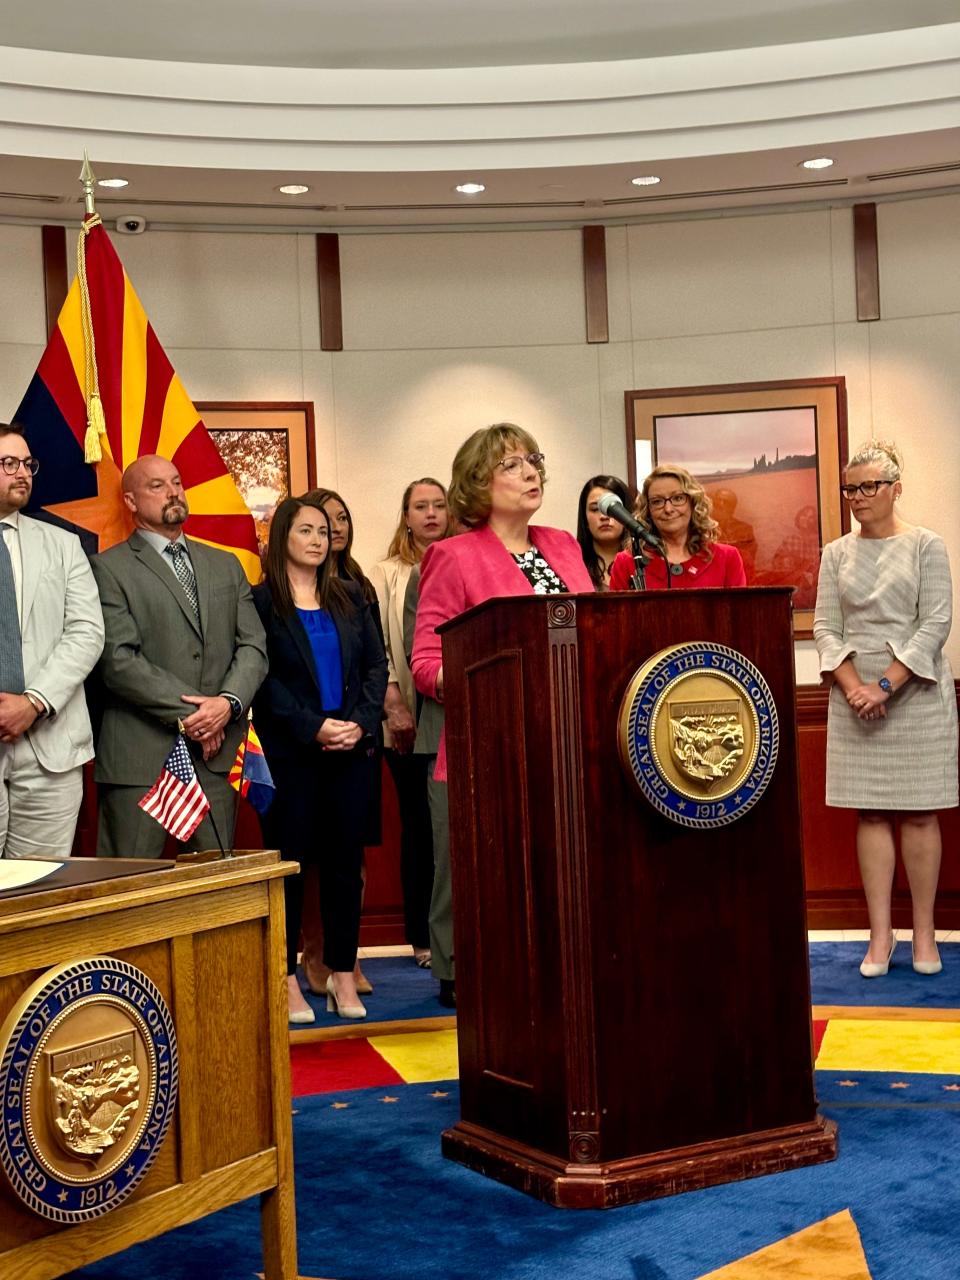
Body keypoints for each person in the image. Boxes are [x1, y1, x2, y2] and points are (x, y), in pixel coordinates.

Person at [411, 423, 594, 1005]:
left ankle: (558, 963)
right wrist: (483, 685)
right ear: (477, 484)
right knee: (476, 870)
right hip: (488, 742)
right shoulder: (452, 555)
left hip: (565, 734)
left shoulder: (563, 543)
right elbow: (425, 661)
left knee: (557, 865)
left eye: (532, 459)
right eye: (511, 465)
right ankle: (462, 972)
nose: (529, 471)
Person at [813, 441, 957, 978]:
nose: (858, 496)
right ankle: (880, 935)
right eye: (851, 487)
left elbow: (936, 623)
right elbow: (826, 628)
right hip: (855, 696)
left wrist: (883, 685)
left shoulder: (926, 545)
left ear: (896, 488)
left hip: (913, 691)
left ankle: (923, 932)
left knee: (920, 812)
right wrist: (855, 686)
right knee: (869, 812)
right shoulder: (836, 553)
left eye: (869, 486)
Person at [252, 497, 387, 1022]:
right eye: (305, 529)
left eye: (324, 530)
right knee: (290, 867)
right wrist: (313, 727)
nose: (317, 538)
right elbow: (264, 680)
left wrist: (359, 722)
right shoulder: (260, 603)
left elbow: (377, 666)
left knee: (342, 869)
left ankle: (341, 974)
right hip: (293, 754)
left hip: (352, 750)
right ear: (282, 536)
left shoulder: (351, 596)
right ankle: (285, 977)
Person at [91, 454, 267, 856]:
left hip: (216, 757)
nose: (172, 492)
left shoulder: (226, 565)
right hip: (141, 758)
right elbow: (118, 660)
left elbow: (253, 646)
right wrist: (198, 716)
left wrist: (227, 704)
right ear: (131, 502)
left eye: (176, 482)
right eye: (157, 486)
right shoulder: (107, 568)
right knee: (132, 893)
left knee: (217, 894)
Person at [0, 423, 104, 858]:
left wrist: (34, 701)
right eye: (8, 463)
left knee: (38, 900)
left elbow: (87, 631)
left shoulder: (64, 545)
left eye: (28, 463)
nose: (23, 472)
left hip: (50, 748)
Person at [299, 486, 381, 996]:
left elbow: (375, 664)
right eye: (319, 523)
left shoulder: (358, 586)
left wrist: (360, 723)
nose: (333, 530)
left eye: (339, 520)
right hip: (305, 746)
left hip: (356, 740)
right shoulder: (282, 593)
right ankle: (314, 952)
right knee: (308, 857)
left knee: (350, 858)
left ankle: (344, 958)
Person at [368, 478, 450, 968]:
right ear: (406, 515)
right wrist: (394, 705)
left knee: (453, 831)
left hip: (454, 716)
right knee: (419, 828)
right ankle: (421, 934)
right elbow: (378, 645)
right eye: (421, 506)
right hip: (405, 721)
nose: (431, 514)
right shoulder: (386, 573)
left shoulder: (462, 560)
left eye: (439, 505)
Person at [608, 464, 747, 590]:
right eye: (657, 502)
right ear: (648, 510)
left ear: (693, 503)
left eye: (678, 498)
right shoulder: (626, 563)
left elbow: (740, 615)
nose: (668, 509)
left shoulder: (727, 558)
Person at [576, 474, 637, 590]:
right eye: (595, 509)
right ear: (585, 519)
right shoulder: (573, 565)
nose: (604, 516)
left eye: (612, 508)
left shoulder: (641, 562)